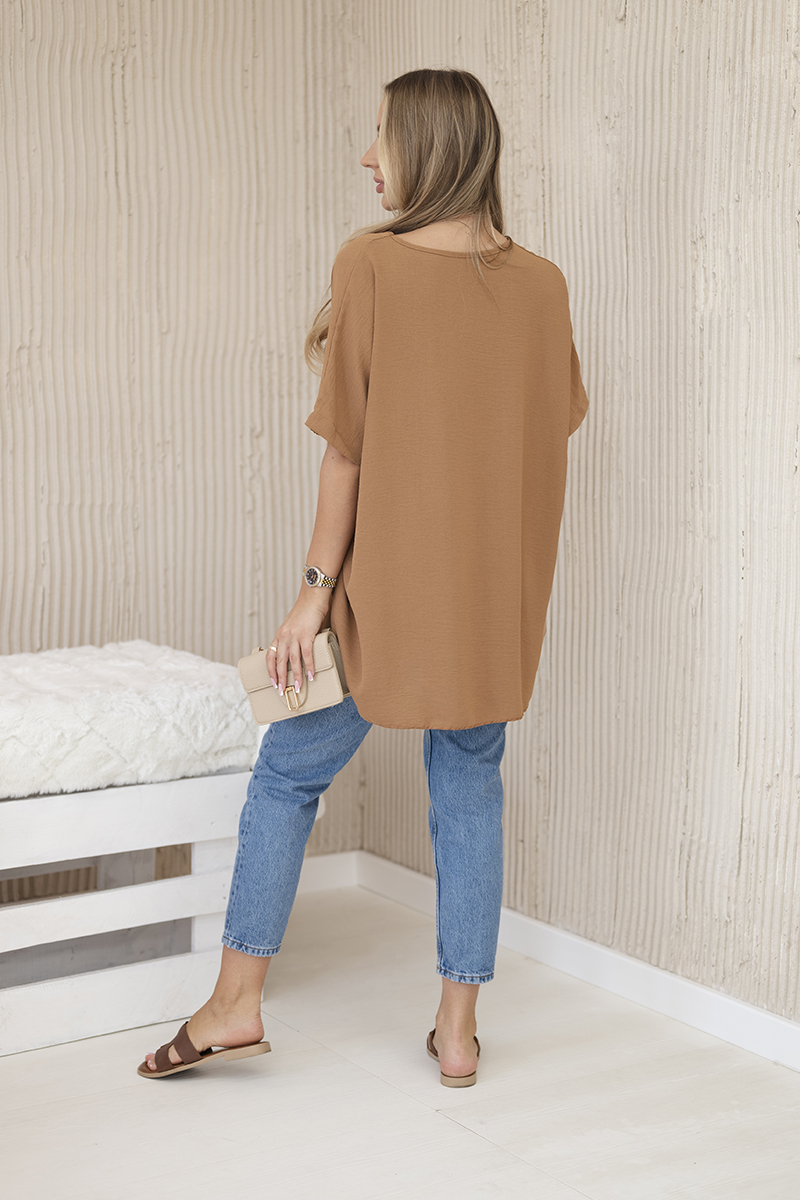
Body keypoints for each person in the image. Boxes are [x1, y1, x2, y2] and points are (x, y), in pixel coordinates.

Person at [138, 67, 588, 1085]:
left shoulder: (370, 264)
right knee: (468, 790)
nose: (366, 157)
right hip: (491, 606)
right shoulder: (544, 284)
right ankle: (458, 1033)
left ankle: (234, 1005)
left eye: (379, 136)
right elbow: (546, 426)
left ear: (424, 146)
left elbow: (346, 449)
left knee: (288, 772)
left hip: (381, 597)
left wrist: (311, 594)